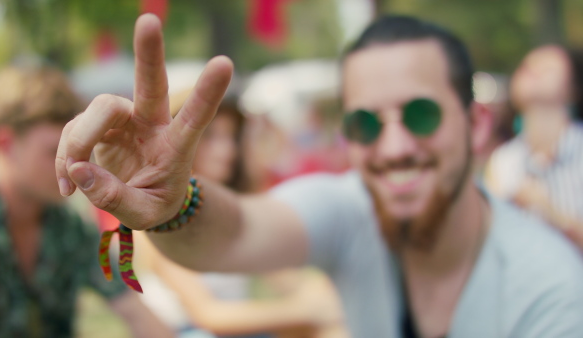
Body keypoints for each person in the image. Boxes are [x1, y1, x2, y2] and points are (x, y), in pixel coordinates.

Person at [56, 14, 583, 338]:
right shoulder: (355, 209)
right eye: (366, 123)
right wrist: (173, 206)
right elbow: (236, 230)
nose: (395, 148)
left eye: (421, 116)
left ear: (477, 122)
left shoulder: (553, 296)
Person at [135, 92, 347, 337]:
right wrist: (302, 309)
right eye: (210, 136)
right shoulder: (162, 214)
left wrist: (320, 293)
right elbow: (207, 315)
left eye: (231, 136)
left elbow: (282, 274)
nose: (227, 149)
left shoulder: (237, 208)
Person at [0, 66, 174, 338]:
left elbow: (136, 312)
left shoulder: (68, 226)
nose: (70, 166)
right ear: (5, 143)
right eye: (53, 152)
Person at [486, 45, 583, 249]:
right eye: (525, 67)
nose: (534, 71)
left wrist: (551, 213)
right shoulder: (502, 160)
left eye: (547, 68)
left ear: (573, 87)